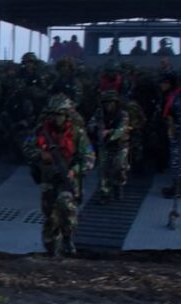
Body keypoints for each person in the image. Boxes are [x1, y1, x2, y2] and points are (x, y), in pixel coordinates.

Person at [24, 95, 94, 257]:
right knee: (50, 216)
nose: (56, 119)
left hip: (68, 177)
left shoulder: (78, 133)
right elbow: (27, 147)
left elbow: (89, 157)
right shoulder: (41, 131)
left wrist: (74, 170)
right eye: (54, 115)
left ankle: (68, 238)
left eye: (60, 115)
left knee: (66, 206)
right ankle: (51, 248)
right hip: (48, 178)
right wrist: (41, 154)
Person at [88, 91, 130, 203]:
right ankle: (104, 193)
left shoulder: (123, 114)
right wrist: (97, 129)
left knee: (119, 166)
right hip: (104, 145)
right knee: (103, 170)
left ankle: (118, 185)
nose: (108, 105)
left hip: (120, 144)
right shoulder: (99, 113)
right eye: (106, 103)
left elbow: (122, 129)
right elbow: (91, 124)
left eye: (111, 102)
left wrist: (109, 133)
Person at [159, 70, 181, 199]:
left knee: (179, 161)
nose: (161, 85)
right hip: (174, 132)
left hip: (178, 133)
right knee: (175, 161)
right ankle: (175, 186)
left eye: (164, 83)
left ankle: (180, 188)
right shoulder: (171, 96)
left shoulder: (177, 99)